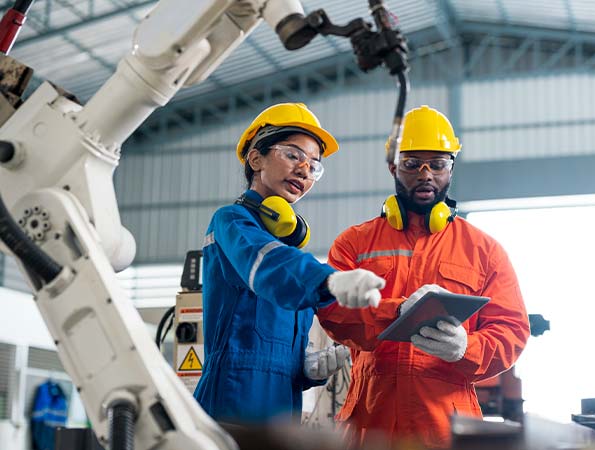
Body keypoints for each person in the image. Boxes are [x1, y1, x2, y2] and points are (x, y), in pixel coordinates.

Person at [316, 105, 531, 448]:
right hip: (371, 424)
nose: (425, 174)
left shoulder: (484, 250)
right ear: (393, 168)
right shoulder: (354, 244)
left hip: (446, 429)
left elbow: (512, 330)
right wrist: (396, 313)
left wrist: (467, 349)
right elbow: (332, 312)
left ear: (452, 168)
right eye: (412, 164)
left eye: (438, 164)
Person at [194, 102, 386, 424]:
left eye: (314, 165)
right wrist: (329, 280)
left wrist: (306, 370)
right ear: (256, 158)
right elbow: (267, 266)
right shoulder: (231, 223)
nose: (304, 170)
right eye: (293, 155)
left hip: (283, 406)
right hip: (232, 401)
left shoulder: (288, 251)